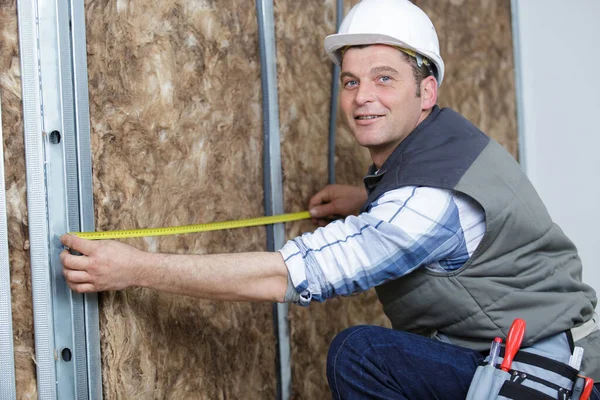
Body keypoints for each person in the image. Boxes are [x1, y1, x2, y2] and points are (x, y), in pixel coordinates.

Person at [61, 0, 599, 398]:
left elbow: (291, 276)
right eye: (351, 81)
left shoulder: (428, 200)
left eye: (384, 79)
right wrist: (363, 203)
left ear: (426, 90)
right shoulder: (444, 147)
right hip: (516, 350)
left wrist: (135, 269)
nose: (363, 97)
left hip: (530, 381)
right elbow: (426, 224)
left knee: (361, 354)